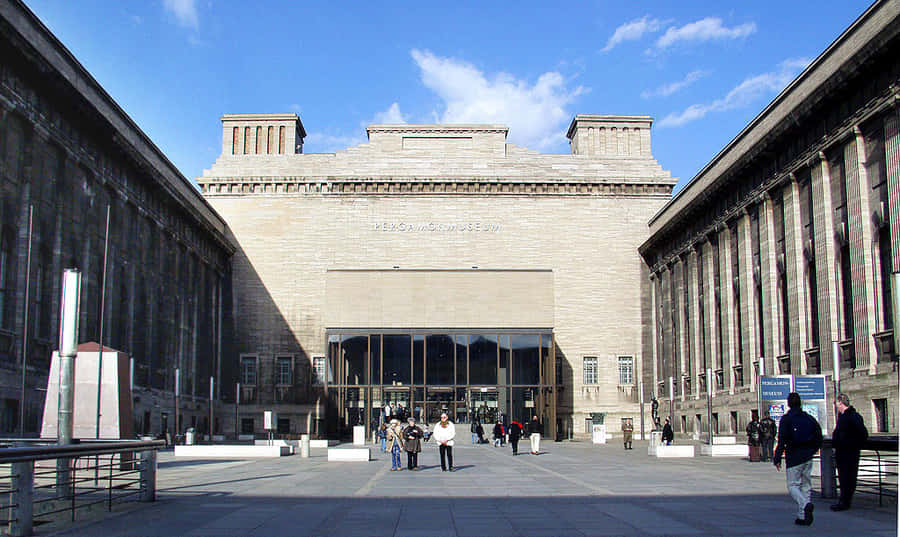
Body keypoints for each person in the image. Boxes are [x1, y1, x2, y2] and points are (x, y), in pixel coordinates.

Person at [774, 392, 823, 526]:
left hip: (794, 456)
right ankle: (803, 516)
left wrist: (777, 457)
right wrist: (813, 450)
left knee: (793, 485)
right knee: (806, 486)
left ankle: (805, 505)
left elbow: (782, 440)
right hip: (807, 456)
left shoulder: (786, 419)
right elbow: (819, 436)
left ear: (789, 403)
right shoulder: (809, 418)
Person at [831, 393, 868, 511]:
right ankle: (843, 500)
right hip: (843, 452)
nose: (836, 405)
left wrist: (850, 443)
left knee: (848, 477)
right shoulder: (843, 417)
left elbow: (863, 434)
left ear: (840, 403)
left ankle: (845, 501)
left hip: (849, 452)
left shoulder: (853, 416)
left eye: (836, 403)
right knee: (843, 477)